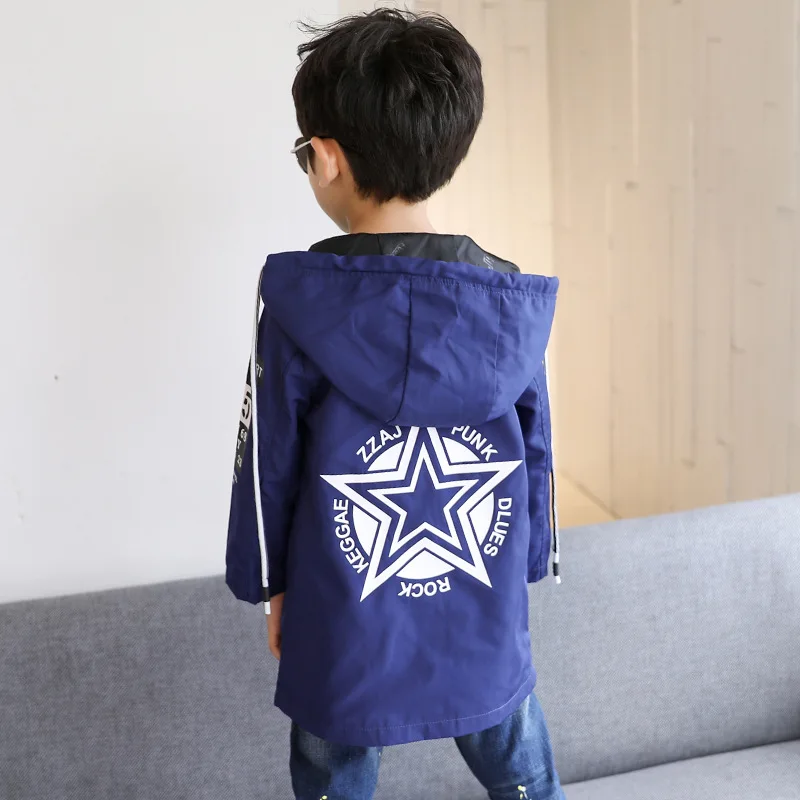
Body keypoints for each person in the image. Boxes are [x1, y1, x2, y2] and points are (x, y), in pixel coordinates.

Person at [225, 9, 564, 800]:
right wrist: (530, 560)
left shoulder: (299, 305)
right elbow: (537, 450)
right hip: (481, 595)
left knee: (333, 765)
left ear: (327, 158)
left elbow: (267, 460)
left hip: (342, 606)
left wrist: (270, 582)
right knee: (519, 763)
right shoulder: (508, 301)